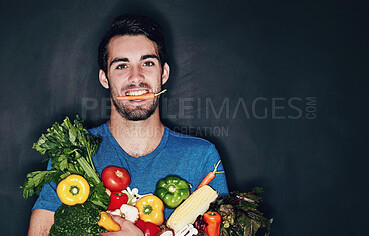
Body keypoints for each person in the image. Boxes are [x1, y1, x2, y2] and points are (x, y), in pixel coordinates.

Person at [27, 14, 229, 235]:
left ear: (164, 74)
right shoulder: (73, 154)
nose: (136, 77)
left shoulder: (201, 157)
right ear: (105, 78)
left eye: (148, 63)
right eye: (122, 66)